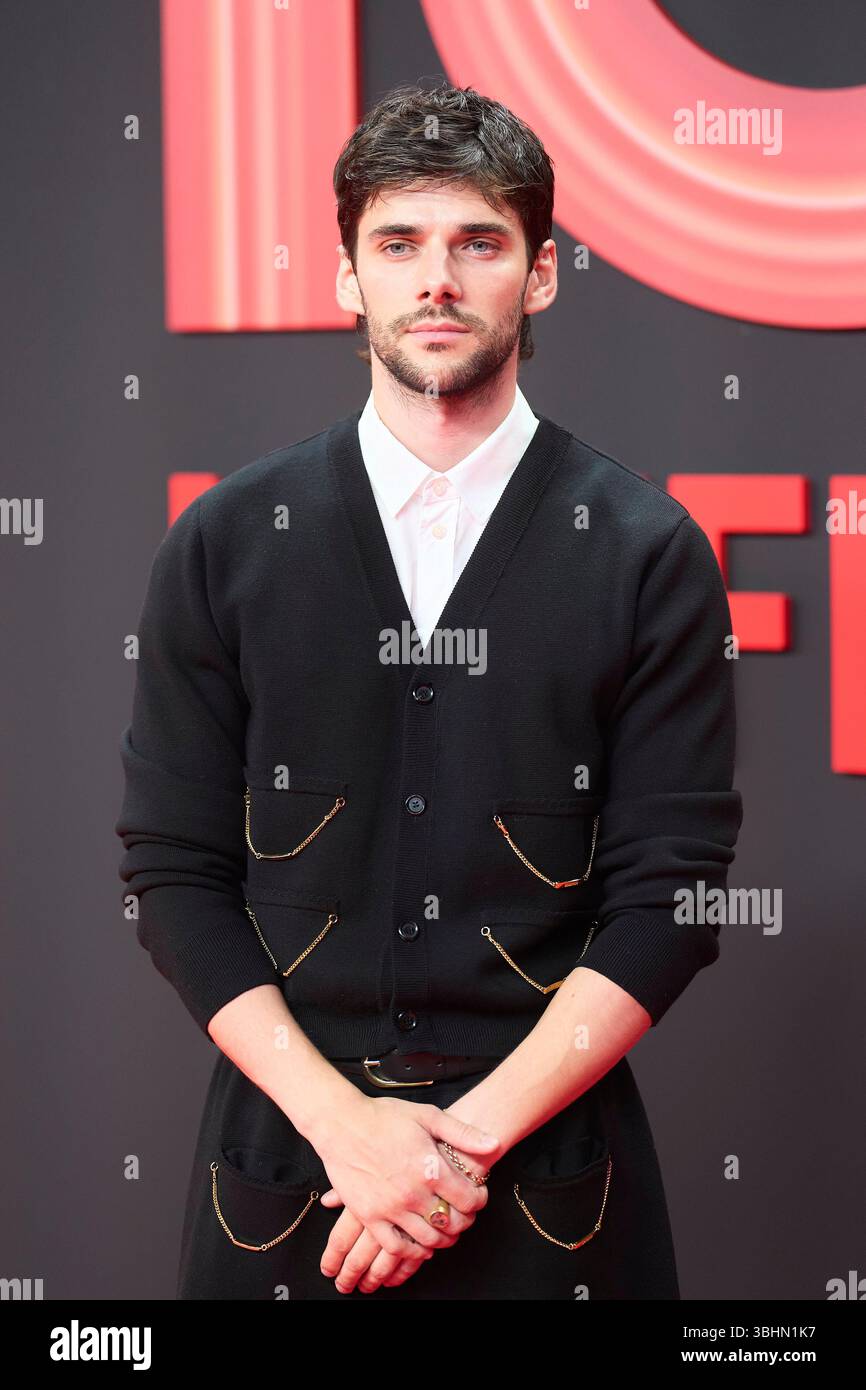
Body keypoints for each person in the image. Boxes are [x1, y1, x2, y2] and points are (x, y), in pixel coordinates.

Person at [115, 81, 743, 1300]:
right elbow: (172, 871)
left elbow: (670, 895)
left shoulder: (642, 547)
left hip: (555, 1189)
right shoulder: (228, 539)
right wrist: (346, 1129)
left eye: (478, 243)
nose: (436, 280)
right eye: (397, 244)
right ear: (348, 277)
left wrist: (450, 1151)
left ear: (540, 273)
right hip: (285, 1181)